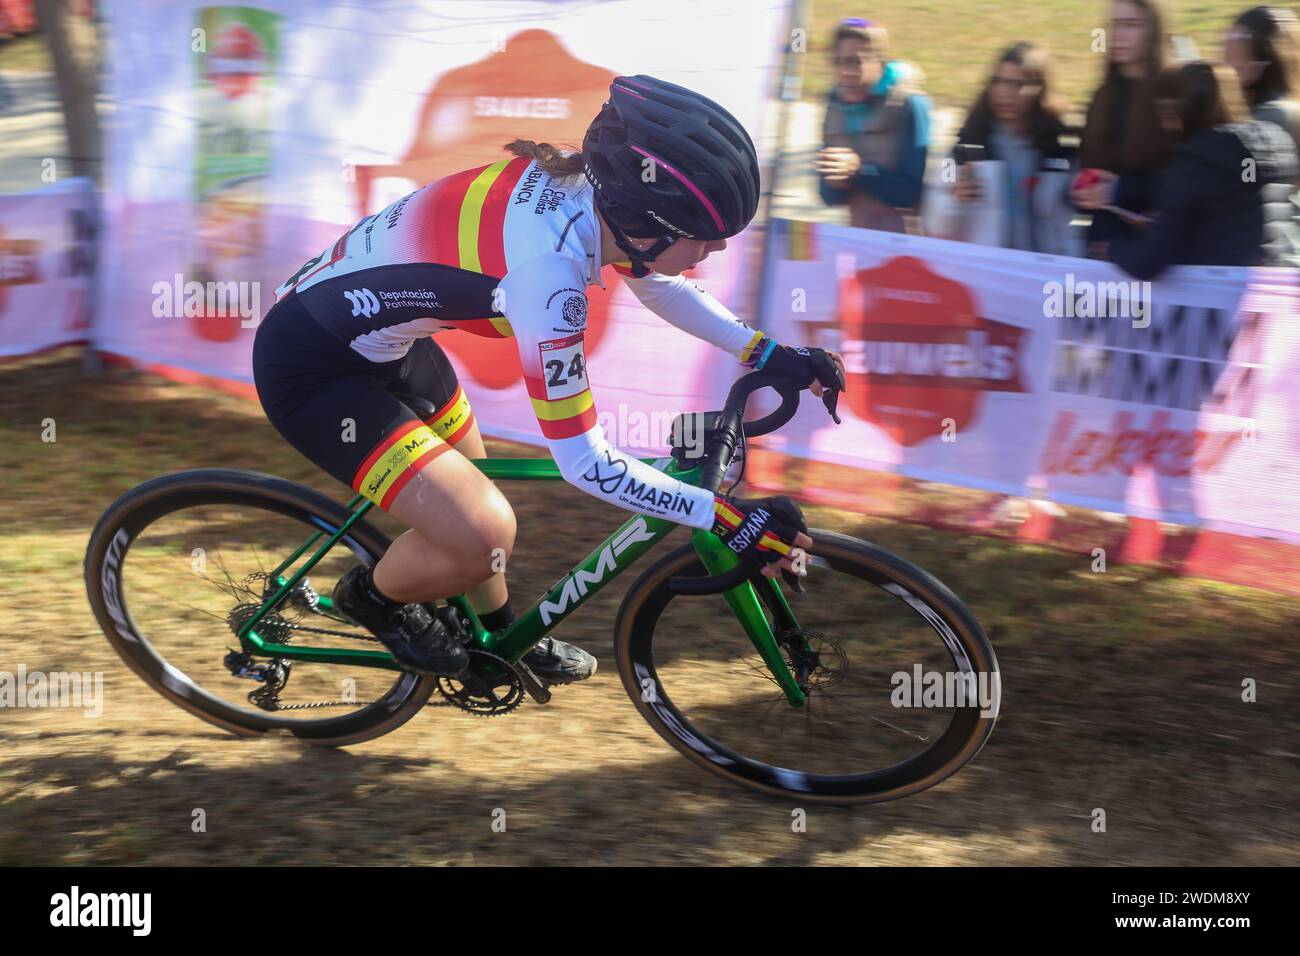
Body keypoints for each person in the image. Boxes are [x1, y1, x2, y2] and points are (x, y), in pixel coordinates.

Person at [252, 75, 844, 681]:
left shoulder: (592, 196)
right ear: (644, 225)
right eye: (706, 236)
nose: (717, 248)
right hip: (313, 369)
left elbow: (659, 280)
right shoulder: (549, 278)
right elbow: (584, 462)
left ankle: (498, 638)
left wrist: (764, 352)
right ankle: (370, 600)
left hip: (388, 343)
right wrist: (720, 515)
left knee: (477, 510)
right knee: (482, 528)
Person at [1108, 61, 1299, 278]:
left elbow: (1150, 262)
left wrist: (1113, 249)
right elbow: (1240, 216)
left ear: (1175, 112)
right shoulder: (1277, 141)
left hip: (1220, 298)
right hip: (1276, 289)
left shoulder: (1192, 164)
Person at [945, 42, 1080, 254]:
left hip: (1046, 275)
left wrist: (1071, 276)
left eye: (1017, 84)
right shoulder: (965, 145)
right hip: (985, 273)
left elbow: (1068, 227)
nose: (1004, 92)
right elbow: (936, 210)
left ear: (1039, 88)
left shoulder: (1061, 148)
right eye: (998, 81)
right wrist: (953, 199)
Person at [1072, 0, 1171, 255]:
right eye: (1113, 25)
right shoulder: (1102, 96)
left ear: (1153, 32)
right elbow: (1086, 168)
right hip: (1102, 246)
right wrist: (1079, 191)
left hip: (1154, 252)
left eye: (1131, 25)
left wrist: (1119, 189)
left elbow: (1187, 184)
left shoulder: (1173, 97)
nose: (1117, 35)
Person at [815, 17, 931, 231]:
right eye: (839, 62)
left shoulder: (910, 105)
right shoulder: (834, 104)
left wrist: (859, 170)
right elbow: (827, 196)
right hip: (857, 241)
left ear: (880, 61)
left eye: (856, 61)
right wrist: (835, 181)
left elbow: (911, 193)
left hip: (902, 246)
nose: (845, 72)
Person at [1225, 5, 1300, 259]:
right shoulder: (1282, 109)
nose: (1226, 62)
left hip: (1276, 254)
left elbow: (1242, 181)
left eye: (1235, 49)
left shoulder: (1272, 117)